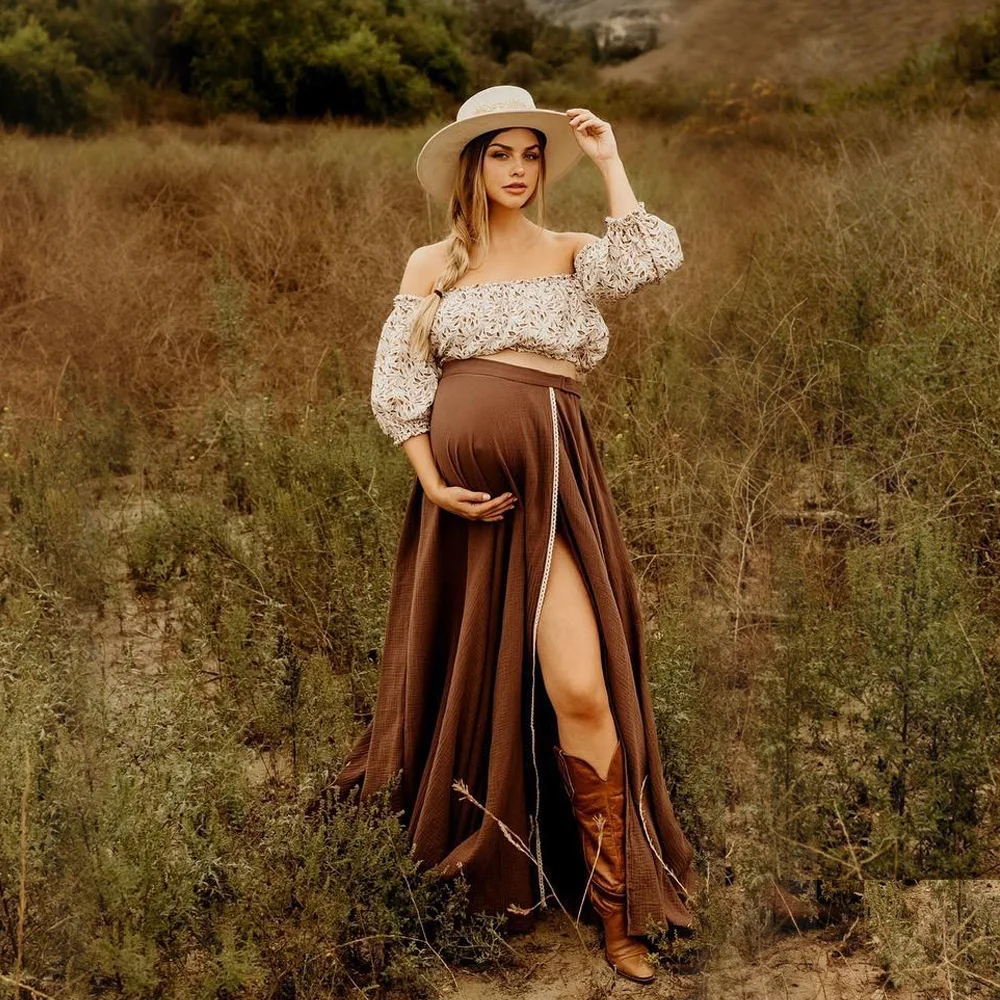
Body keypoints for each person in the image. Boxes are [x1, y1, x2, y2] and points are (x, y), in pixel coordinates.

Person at [334, 85, 699, 985]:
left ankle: (619, 914)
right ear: (471, 164)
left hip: (555, 490)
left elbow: (650, 258)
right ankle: (497, 859)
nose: (518, 170)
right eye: (500, 153)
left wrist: (610, 158)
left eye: (531, 155)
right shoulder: (431, 264)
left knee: (580, 685)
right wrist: (434, 485)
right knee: (477, 676)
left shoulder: (573, 253)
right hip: (463, 508)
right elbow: (399, 386)